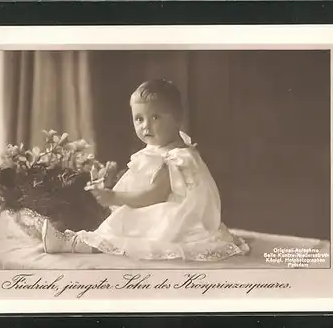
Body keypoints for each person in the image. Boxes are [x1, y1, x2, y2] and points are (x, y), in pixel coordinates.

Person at [41, 79, 250, 261]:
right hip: (166, 205)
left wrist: (115, 197)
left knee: (127, 222)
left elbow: (154, 195)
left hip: (177, 216)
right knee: (122, 218)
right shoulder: (164, 148)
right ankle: (75, 237)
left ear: (177, 119)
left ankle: (73, 243)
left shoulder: (175, 157)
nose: (145, 126)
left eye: (155, 118)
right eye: (139, 119)